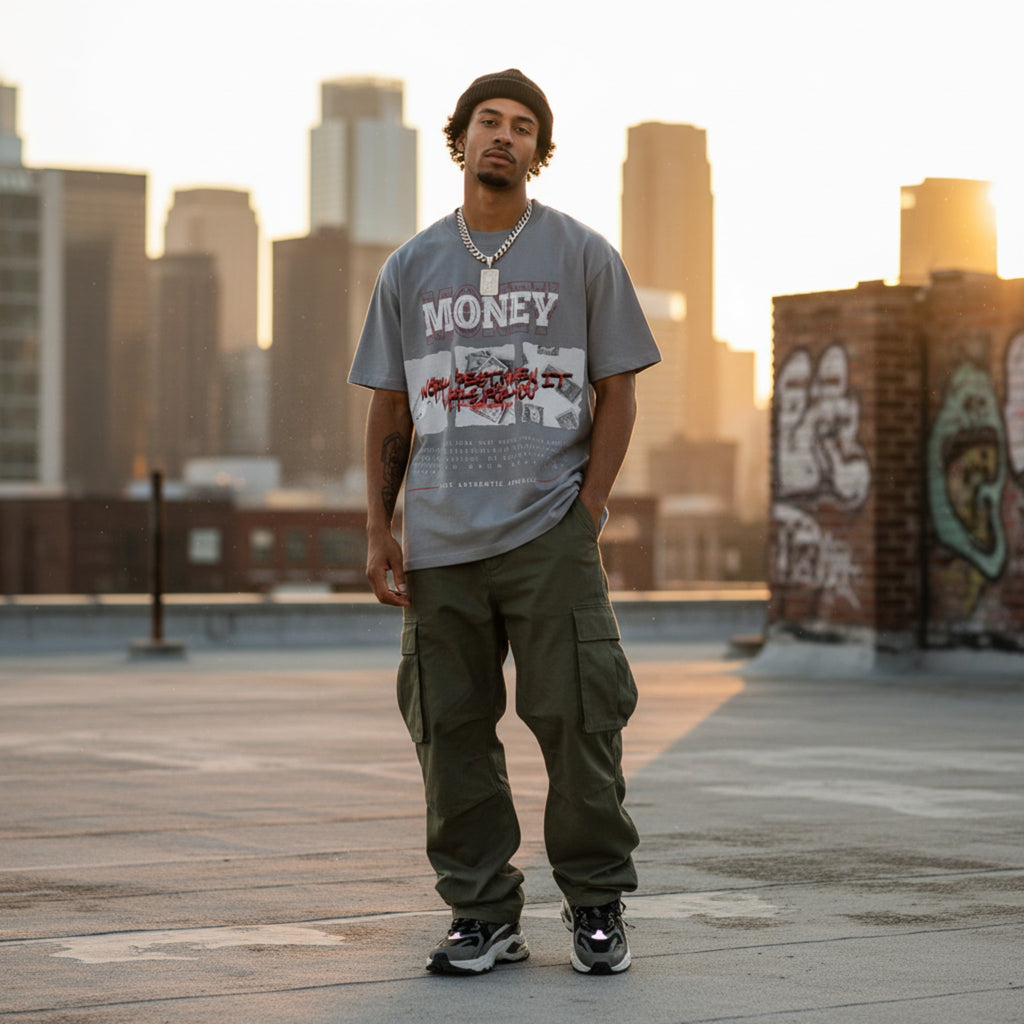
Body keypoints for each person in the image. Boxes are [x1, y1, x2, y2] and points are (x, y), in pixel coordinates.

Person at [349, 68, 660, 976]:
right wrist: (380, 530)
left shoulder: (582, 253)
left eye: (524, 127)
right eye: (490, 121)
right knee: (449, 734)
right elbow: (390, 411)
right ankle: (484, 914)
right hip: (441, 544)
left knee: (579, 724)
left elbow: (618, 395)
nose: (505, 136)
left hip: (547, 535)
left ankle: (596, 905)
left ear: (538, 150)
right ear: (462, 138)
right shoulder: (410, 267)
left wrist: (588, 511)